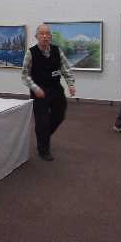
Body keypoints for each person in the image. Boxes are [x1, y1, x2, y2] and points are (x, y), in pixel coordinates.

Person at [21, 24, 76, 161]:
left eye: (47, 34)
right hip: (39, 91)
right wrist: (35, 88)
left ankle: (43, 135)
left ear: (51, 36)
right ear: (37, 36)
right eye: (42, 34)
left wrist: (71, 84)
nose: (45, 36)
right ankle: (43, 149)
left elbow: (66, 68)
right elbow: (25, 75)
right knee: (42, 122)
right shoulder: (31, 53)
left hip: (56, 88)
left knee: (59, 115)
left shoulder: (57, 50)